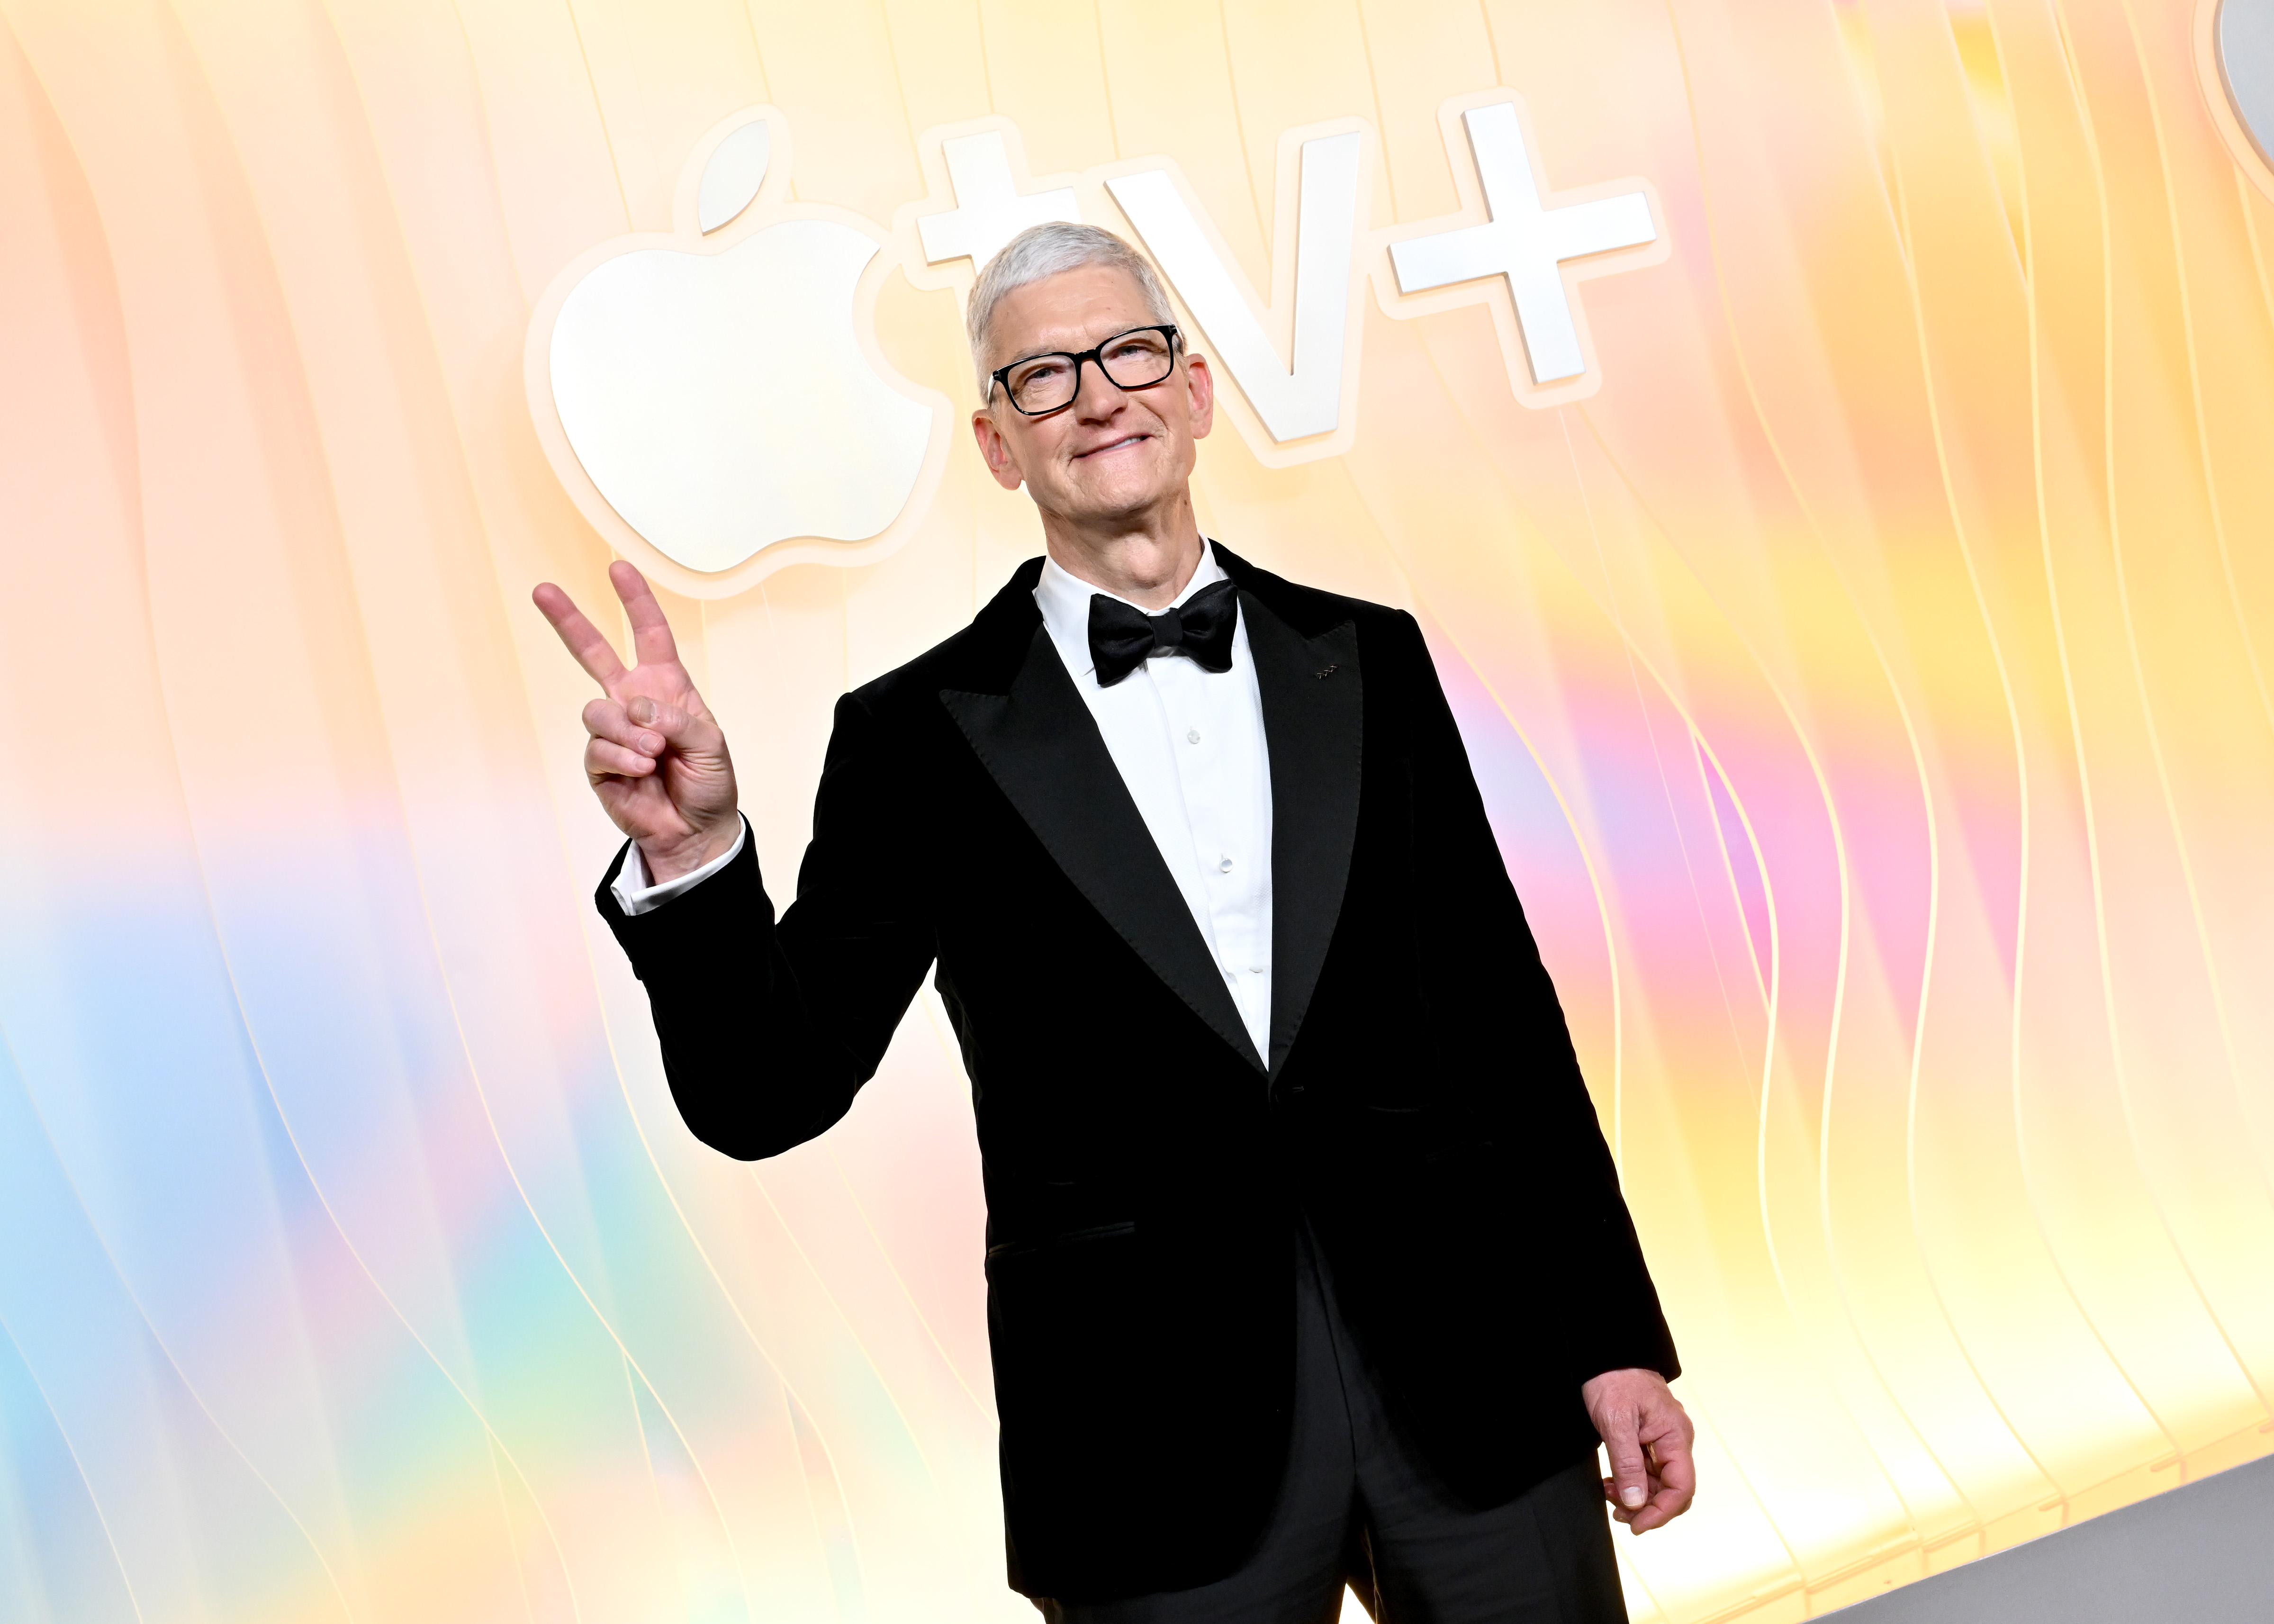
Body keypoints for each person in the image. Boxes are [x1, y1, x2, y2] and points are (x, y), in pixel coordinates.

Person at [534, 222, 1692, 1623]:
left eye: (1128, 350)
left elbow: (1506, 1022)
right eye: (1042, 376)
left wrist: (1614, 1333)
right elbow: (769, 1088)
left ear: (1193, 391)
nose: (1098, 393)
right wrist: (699, 854)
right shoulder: (915, 736)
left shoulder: (1369, 655)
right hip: (1148, 1442)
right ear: (997, 444)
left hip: (1472, 1383)